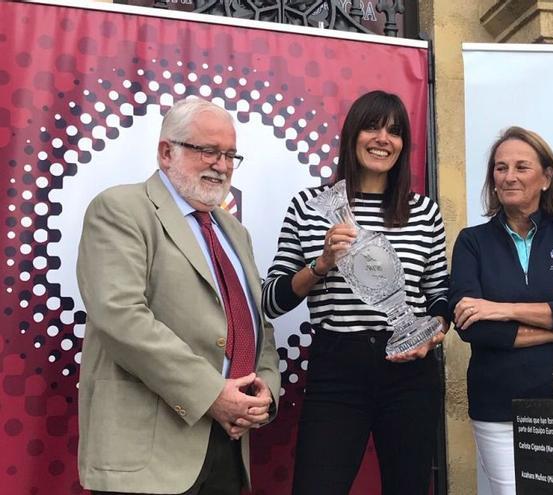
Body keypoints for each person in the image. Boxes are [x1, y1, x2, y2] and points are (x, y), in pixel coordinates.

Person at [76, 98, 281, 495]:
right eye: (208, 151)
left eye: (229, 154)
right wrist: (211, 394)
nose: (221, 165)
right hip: (149, 458)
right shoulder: (120, 209)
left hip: (228, 448)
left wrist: (265, 394)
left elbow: (260, 327)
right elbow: (121, 318)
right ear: (166, 151)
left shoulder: (235, 232)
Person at [262, 90, 448, 495]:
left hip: (410, 373)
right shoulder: (308, 206)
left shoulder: (424, 211)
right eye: (372, 127)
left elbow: (438, 294)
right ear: (352, 135)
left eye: (395, 132)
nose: (383, 139)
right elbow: (272, 300)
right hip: (338, 368)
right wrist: (321, 265)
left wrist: (434, 330)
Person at [450, 126, 553, 495]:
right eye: (500, 167)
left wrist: (502, 309)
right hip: (499, 406)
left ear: (546, 176)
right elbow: (473, 326)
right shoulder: (472, 242)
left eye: (522, 167)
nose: (509, 177)